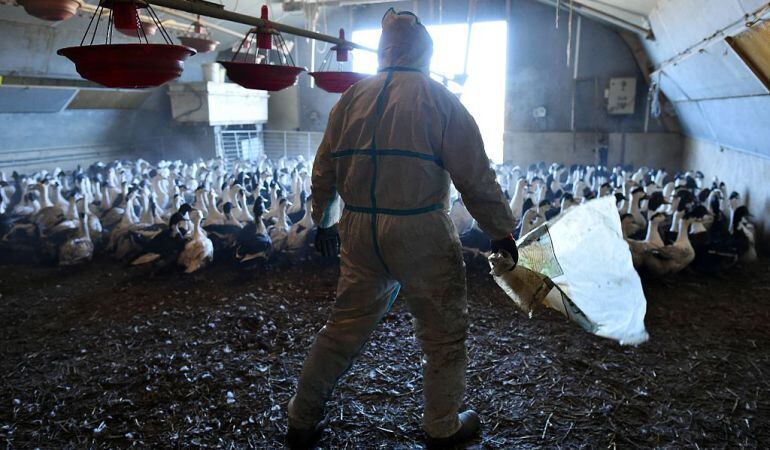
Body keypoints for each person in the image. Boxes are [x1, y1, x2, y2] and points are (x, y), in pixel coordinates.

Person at [287, 8, 518, 449]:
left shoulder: (351, 98)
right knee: (443, 329)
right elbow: (475, 176)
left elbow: (323, 169)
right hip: (420, 230)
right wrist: (501, 231)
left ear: (382, 51)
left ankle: (301, 419)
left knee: (343, 328)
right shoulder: (439, 100)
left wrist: (324, 219)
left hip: (358, 229)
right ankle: (442, 427)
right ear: (425, 52)